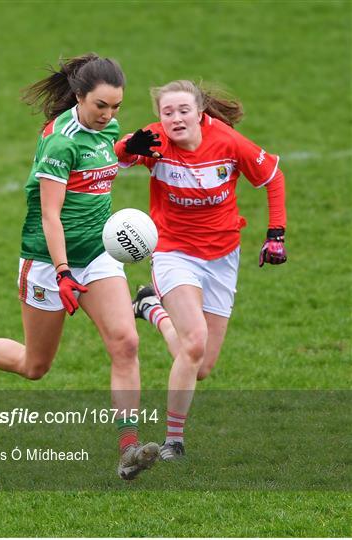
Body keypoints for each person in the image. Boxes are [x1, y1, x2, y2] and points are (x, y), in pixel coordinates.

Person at [0, 53, 159, 480]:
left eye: (116, 108)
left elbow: (103, 155)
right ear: (79, 97)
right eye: (101, 106)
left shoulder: (104, 128)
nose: (109, 116)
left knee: (125, 343)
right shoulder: (59, 141)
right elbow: (51, 215)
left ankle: (128, 449)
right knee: (35, 367)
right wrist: (62, 272)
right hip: (47, 262)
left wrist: (127, 149)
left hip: (97, 254)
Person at [115, 79, 287, 461]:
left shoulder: (227, 142)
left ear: (200, 112)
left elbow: (273, 176)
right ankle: (173, 441)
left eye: (183, 111)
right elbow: (120, 155)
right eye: (167, 112)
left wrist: (276, 232)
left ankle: (150, 309)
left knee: (202, 365)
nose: (175, 118)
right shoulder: (156, 141)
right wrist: (127, 147)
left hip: (223, 257)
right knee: (193, 343)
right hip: (174, 253)